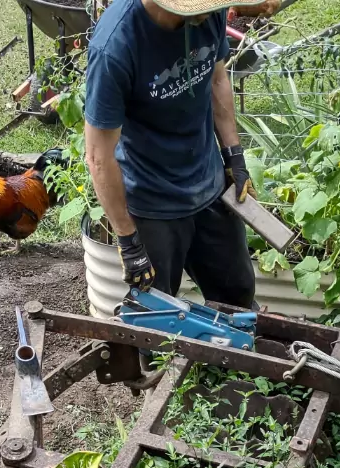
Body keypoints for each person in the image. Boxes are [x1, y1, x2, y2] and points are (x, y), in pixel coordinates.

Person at [83, 0, 257, 308]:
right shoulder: (116, 45)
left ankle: (230, 355)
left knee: (239, 296)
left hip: (208, 183)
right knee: (156, 317)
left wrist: (234, 156)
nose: (217, 11)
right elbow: (98, 156)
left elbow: (217, 79)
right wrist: (128, 240)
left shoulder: (210, 11)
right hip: (152, 200)